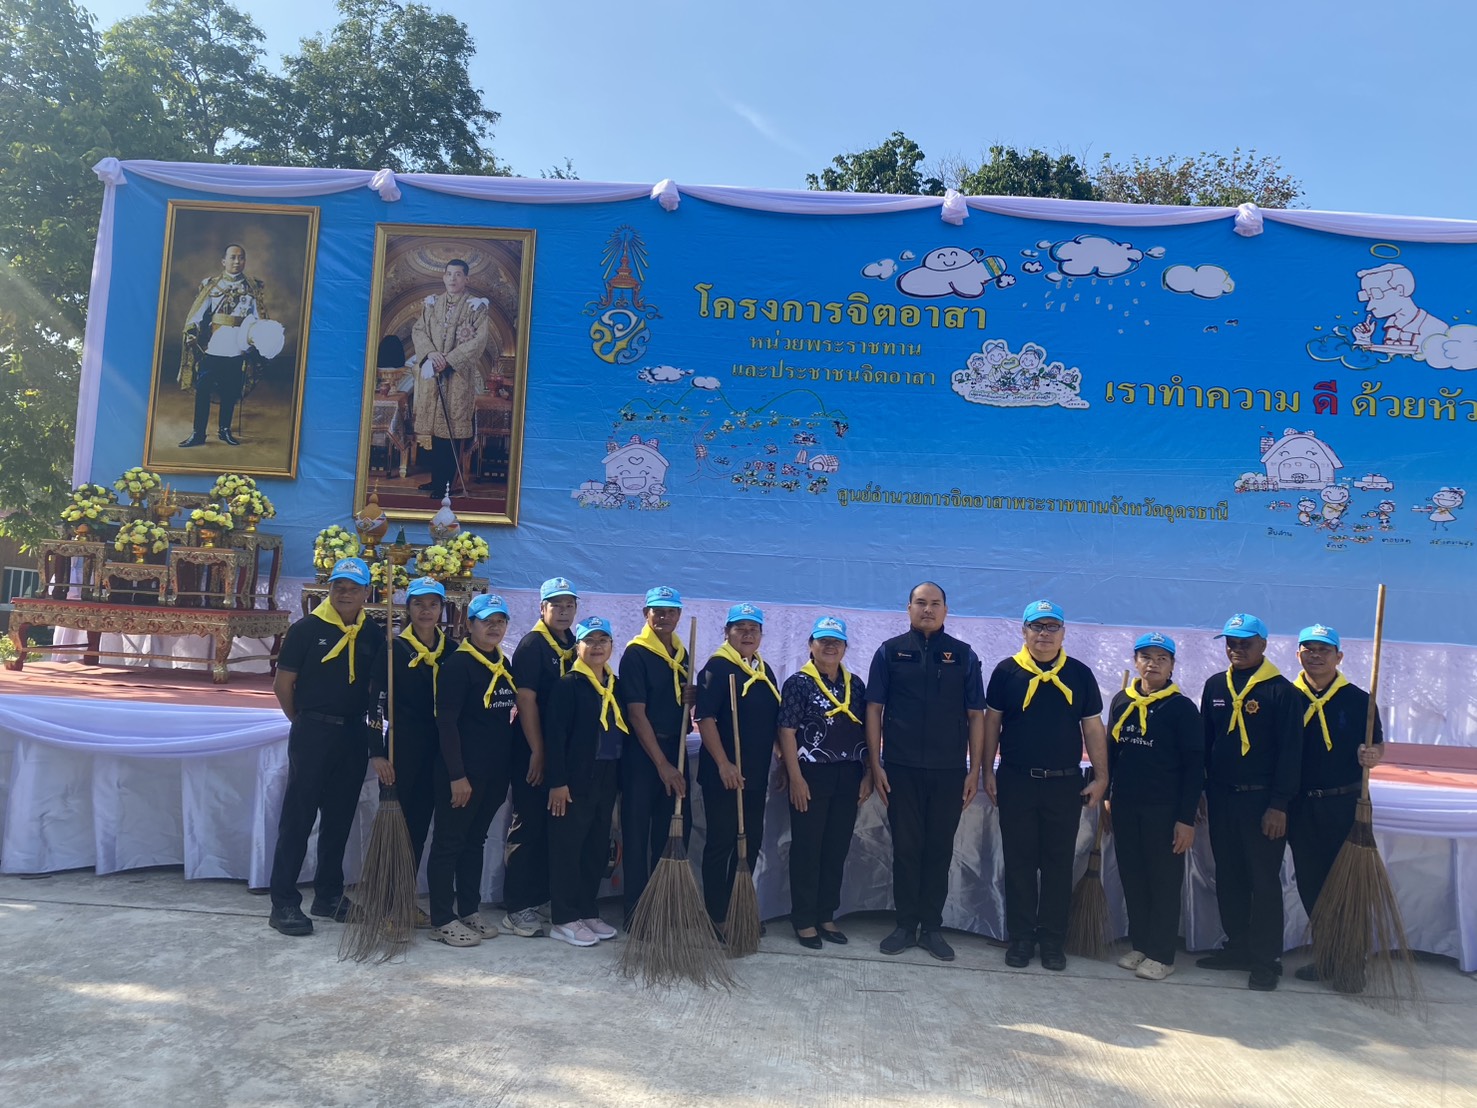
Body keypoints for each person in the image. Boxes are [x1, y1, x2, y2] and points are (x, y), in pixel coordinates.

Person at [981, 600, 1107, 972]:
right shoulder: (1006, 672)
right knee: (1019, 864)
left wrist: (1102, 777)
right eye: (1037, 626)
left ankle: (1052, 940)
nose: (1044, 634)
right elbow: (991, 725)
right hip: (1017, 781)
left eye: (1052, 627)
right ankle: (1021, 938)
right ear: (1024, 631)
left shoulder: (1080, 674)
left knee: (1058, 865)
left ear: (1063, 633)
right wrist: (987, 770)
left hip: (1063, 785)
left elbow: (1093, 729)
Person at [865, 582, 986, 962]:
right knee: (906, 848)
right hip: (900, 769)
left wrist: (974, 770)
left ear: (946, 610)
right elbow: (874, 710)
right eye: (921, 603)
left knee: (938, 849)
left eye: (935, 604)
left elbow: (976, 716)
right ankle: (905, 925)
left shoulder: (964, 655)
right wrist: (876, 764)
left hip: (949, 771)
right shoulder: (889, 652)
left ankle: (931, 927)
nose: (928, 610)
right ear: (909, 608)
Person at [266, 557, 383, 936]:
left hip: (353, 734)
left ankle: (329, 895)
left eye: (353, 588)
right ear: (329, 589)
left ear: (367, 593)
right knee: (298, 819)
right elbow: (283, 685)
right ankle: (283, 902)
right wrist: (303, 722)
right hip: (313, 731)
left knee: (339, 818)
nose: (345, 593)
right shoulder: (306, 629)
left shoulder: (372, 633)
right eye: (339, 587)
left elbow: (375, 688)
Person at [1196, 613, 1303, 991]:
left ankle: (1267, 958)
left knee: (1263, 880)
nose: (1237, 649)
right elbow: (1205, 742)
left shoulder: (1282, 692)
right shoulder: (1215, 686)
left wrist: (1280, 804)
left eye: (1245, 643)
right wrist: (1201, 790)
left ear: (1263, 645)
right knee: (1229, 874)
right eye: (1231, 642)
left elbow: (1291, 753)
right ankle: (1238, 945)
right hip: (1222, 798)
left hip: (1262, 802)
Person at [1287, 624, 1384, 989]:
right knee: (1312, 886)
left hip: (1345, 805)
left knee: (1348, 887)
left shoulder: (1359, 700)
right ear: (1298, 654)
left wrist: (1374, 755)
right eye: (1308, 649)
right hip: (1301, 807)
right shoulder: (1286, 697)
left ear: (1338, 657)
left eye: (1324, 650)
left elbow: (1378, 743)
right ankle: (1327, 957)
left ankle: (1352, 964)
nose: (1316, 655)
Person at [1104, 632, 1203, 981]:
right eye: (1146, 657)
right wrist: (1108, 795)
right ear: (1135, 662)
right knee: (1133, 876)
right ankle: (1141, 944)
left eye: (1162, 658)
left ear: (1172, 665)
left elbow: (1194, 767)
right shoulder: (1121, 701)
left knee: (1163, 881)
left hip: (1164, 809)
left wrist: (1185, 818)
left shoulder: (1182, 709)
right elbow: (1111, 753)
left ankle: (1162, 954)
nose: (1153, 664)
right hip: (1126, 805)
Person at [425, 593, 517, 947]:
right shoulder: (458, 666)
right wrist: (456, 776)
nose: (494, 627)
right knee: (449, 843)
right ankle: (441, 917)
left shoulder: (502, 664)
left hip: (493, 772)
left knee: (474, 841)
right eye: (486, 621)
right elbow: (446, 723)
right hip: (463, 773)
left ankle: (468, 908)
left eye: (500, 621)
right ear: (469, 624)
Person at [777, 616, 870, 949]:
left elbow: (868, 730)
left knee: (836, 847)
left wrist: (869, 773)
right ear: (811, 645)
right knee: (808, 847)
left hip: (849, 774)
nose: (830, 646)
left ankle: (826, 914)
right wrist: (795, 777)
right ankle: (804, 918)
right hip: (811, 774)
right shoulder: (798, 683)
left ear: (845, 647)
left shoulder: (855, 684)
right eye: (824, 640)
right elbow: (786, 731)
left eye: (836, 641)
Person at [695, 603, 781, 936]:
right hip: (725, 775)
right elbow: (705, 719)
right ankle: (716, 914)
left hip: (756, 774)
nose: (747, 634)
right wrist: (724, 763)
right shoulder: (717, 668)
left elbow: (773, 722)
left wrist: (781, 760)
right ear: (727, 632)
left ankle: (738, 906)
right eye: (740, 628)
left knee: (751, 842)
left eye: (753, 629)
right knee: (722, 842)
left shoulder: (763, 670)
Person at [368, 576, 448, 928]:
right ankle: (388, 905)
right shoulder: (393, 651)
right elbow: (375, 705)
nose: (426, 611)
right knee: (397, 828)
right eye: (419, 604)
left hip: (440, 750)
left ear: (442, 609)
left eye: (433, 604)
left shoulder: (452, 650)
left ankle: (405, 899)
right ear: (408, 609)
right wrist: (377, 751)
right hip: (403, 749)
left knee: (419, 827)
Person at [502, 577, 578, 937]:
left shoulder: (573, 644)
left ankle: (541, 896)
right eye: (556, 605)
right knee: (528, 824)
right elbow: (526, 700)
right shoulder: (533, 645)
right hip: (533, 749)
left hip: (559, 751)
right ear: (541, 608)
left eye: (569, 605)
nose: (563, 611)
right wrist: (537, 750)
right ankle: (517, 906)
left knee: (554, 827)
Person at [544, 615, 625, 947]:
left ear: (612, 646)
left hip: (606, 775)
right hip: (574, 780)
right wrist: (557, 781)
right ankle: (563, 917)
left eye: (602, 640)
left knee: (596, 846)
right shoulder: (568, 685)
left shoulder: (614, 685)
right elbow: (555, 737)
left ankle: (586, 909)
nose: (596, 646)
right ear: (577, 647)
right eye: (589, 641)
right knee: (568, 847)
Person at [617, 586, 694, 928]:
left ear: (679, 615)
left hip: (676, 749)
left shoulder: (682, 653)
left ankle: (665, 905)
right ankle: (636, 912)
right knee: (637, 832)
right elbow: (636, 714)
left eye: (671, 611)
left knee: (675, 827)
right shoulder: (636, 654)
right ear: (645, 613)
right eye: (658, 611)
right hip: (644, 754)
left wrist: (690, 697)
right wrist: (662, 764)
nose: (664, 617)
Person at [411, 259, 490, 498]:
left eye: (458, 275)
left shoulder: (476, 307)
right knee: (436, 432)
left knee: (451, 430)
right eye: (449, 274)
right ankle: (437, 480)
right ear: (444, 277)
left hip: (457, 377)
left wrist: (449, 359)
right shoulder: (432, 304)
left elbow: (479, 341)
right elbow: (419, 330)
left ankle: (447, 484)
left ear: (466, 279)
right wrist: (431, 354)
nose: (452, 279)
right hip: (434, 374)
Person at [177, 243, 269, 447]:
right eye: (233, 257)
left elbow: (258, 318)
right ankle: (198, 433)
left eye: (241, 257)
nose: (237, 261)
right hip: (213, 347)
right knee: (203, 389)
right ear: (223, 261)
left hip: (238, 348)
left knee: (230, 390)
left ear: (245, 261)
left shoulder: (252, 287)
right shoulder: (211, 285)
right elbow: (197, 314)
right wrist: (192, 332)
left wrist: (256, 339)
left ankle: (224, 430)